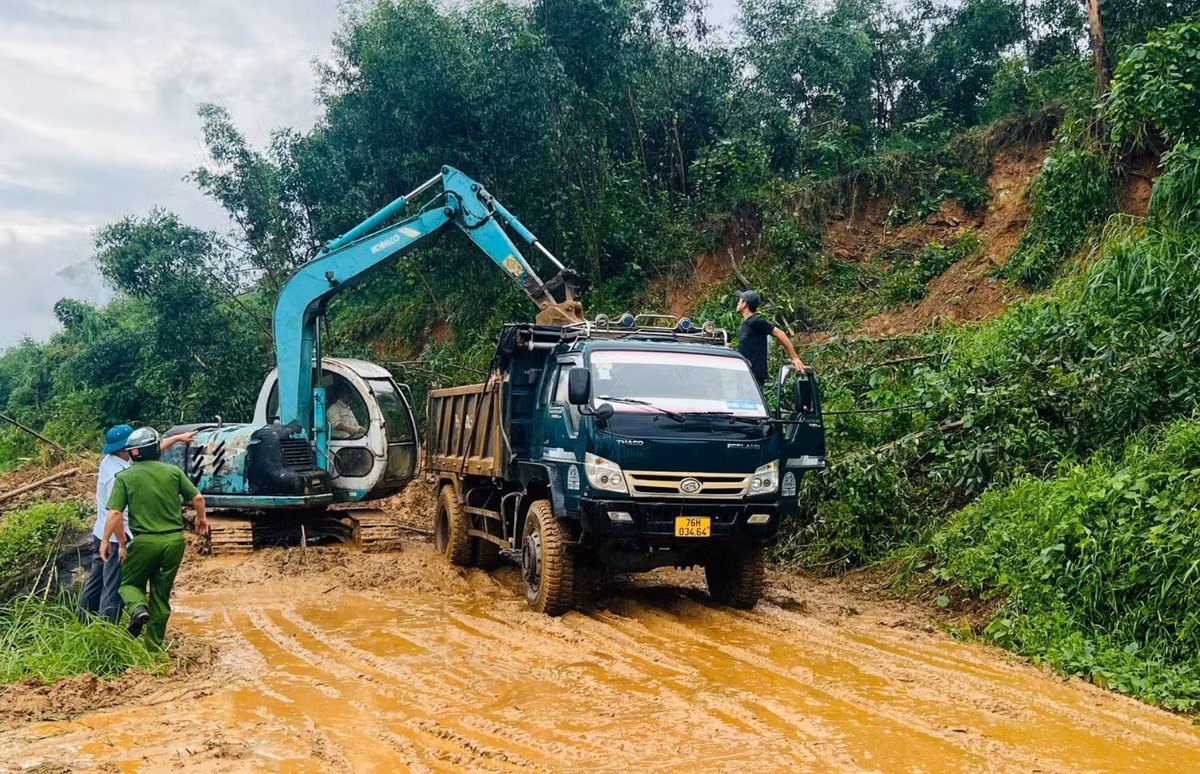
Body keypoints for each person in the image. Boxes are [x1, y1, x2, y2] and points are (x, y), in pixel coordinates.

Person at [101, 427, 208, 647]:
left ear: (132, 452)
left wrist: (106, 541)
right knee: (161, 596)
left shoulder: (125, 477)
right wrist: (201, 520)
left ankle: (139, 609)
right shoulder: (173, 472)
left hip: (144, 542)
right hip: (174, 542)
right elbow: (197, 498)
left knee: (128, 585)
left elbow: (114, 513)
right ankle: (153, 648)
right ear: (155, 450)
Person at [79, 425, 193, 623]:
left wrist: (178, 438)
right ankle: (109, 629)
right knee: (116, 585)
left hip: (101, 534)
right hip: (115, 537)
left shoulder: (113, 460)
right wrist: (123, 544)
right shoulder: (117, 476)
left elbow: (150, 450)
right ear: (126, 449)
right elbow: (117, 516)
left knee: (96, 581)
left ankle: (84, 620)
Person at [735, 290, 805, 385]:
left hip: (753, 375)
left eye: (740, 300)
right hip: (744, 373)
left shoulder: (756, 321)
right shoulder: (746, 324)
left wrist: (794, 357)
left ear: (745, 304)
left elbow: (780, 333)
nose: (738, 302)